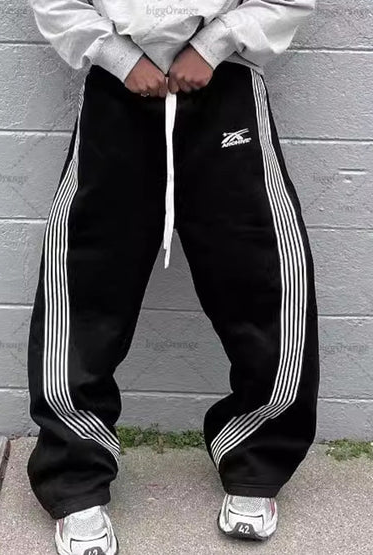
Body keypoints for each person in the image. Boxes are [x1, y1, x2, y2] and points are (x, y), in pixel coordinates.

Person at [26, 1, 319, 553]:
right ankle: (76, 477)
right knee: (83, 280)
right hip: (119, 87)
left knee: (265, 277)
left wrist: (213, 44)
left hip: (223, 81)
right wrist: (118, 56)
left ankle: (256, 461)